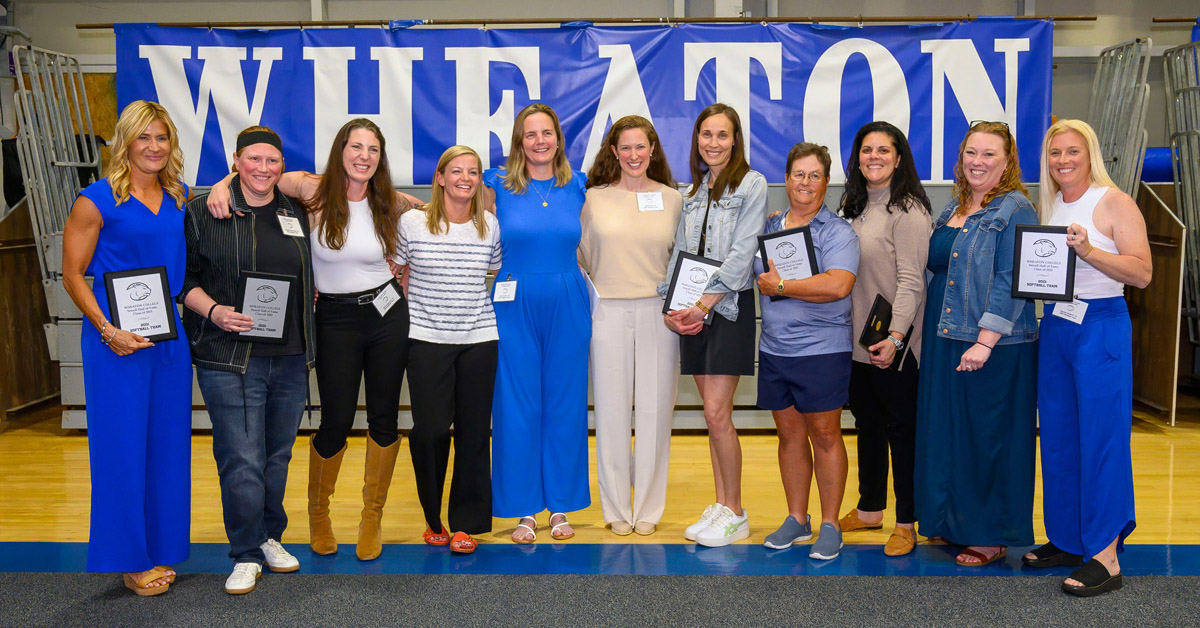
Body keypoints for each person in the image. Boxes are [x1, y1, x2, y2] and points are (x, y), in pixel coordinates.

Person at [207, 119, 421, 561]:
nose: (364, 156)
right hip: (335, 319)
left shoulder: (392, 200)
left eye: (373, 149)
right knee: (336, 421)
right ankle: (318, 515)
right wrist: (220, 185)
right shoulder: (311, 189)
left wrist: (407, 272)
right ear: (340, 150)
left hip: (386, 315)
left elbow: (433, 221)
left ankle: (371, 518)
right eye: (355, 146)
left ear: (381, 157)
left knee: (384, 419)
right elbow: (255, 172)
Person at [62, 100, 191, 596]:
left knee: (167, 447)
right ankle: (129, 558)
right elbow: (73, 274)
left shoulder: (179, 196)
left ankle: (160, 547)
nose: (154, 147)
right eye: (145, 138)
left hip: (167, 339)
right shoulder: (93, 201)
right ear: (125, 143)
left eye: (162, 138)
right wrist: (106, 329)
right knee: (121, 450)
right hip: (115, 343)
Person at [182, 126, 314, 594]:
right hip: (227, 354)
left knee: (276, 455)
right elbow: (184, 280)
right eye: (254, 159)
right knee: (241, 457)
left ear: (282, 165)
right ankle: (244, 553)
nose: (263, 168)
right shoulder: (204, 210)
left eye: (272, 161)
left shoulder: (296, 209)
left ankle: (268, 536)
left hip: (291, 354)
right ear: (235, 161)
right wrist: (215, 311)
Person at [1025, 119, 1151, 597]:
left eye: (1072, 152)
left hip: (1101, 325)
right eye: (1055, 153)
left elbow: (1141, 273)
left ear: (1090, 153)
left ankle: (1105, 555)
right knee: (1058, 436)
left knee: (1102, 439)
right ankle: (1069, 538)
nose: (1063, 161)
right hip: (1058, 323)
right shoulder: (1054, 202)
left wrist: (1091, 251)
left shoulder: (1114, 201)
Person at [914, 121, 1039, 567]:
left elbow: (1012, 279)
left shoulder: (1016, 208)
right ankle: (952, 522)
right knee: (950, 436)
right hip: (946, 335)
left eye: (989, 154)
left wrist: (986, 341)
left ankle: (990, 533)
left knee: (988, 437)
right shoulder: (953, 207)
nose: (978, 162)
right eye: (971, 152)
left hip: (992, 343)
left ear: (1007, 161)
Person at [660, 103, 768, 547]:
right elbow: (680, 251)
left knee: (717, 413)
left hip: (726, 311)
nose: (713, 143)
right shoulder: (693, 190)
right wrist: (675, 306)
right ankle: (722, 504)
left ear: (735, 140)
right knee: (712, 417)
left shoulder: (752, 184)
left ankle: (736, 511)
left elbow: (742, 257)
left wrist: (703, 304)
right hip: (694, 314)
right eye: (706, 134)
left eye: (722, 135)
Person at [484, 104, 591, 543]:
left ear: (558, 139)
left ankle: (561, 506)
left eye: (547, 133)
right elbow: (451, 206)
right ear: (519, 141)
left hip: (568, 301)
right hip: (514, 302)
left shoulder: (579, 185)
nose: (540, 141)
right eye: (531, 134)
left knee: (564, 404)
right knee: (517, 405)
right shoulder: (497, 185)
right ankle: (525, 508)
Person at [754, 143, 859, 559]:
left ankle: (830, 523)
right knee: (789, 436)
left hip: (822, 351)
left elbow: (838, 285)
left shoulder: (838, 232)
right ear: (787, 177)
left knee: (826, 436)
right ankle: (798, 518)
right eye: (799, 174)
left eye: (815, 175)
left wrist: (782, 287)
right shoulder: (769, 227)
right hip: (776, 350)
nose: (805, 183)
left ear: (826, 182)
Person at [580, 115, 683, 537]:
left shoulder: (674, 199)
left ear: (653, 150)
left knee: (656, 413)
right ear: (613, 152)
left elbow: (683, 258)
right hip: (606, 313)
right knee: (611, 412)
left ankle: (648, 508)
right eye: (626, 147)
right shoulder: (591, 198)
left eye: (642, 147)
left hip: (660, 315)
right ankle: (617, 507)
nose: (634, 155)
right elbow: (580, 256)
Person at [397, 146, 502, 554]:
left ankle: (465, 523)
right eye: (456, 170)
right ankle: (433, 518)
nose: (465, 178)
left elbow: (494, 272)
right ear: (439, 177)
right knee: (432, 430)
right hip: (425, 339)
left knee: (475, 434)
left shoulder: (489, 225)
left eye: (473, 172)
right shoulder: (412, 222)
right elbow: (397, 270)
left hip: (479, 339)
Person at [837, 122, 932, 557]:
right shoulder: (853, 207)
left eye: (883, 150)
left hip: (896, 344)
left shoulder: (908, 210)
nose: (874, 157)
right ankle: (870, 508)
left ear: (898, 158)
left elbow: (912, 283)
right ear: (857, 157)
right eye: (866, 150)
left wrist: (895, 336)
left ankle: (907, 521)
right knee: (867, 424)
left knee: (901, 430)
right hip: (858, 341)